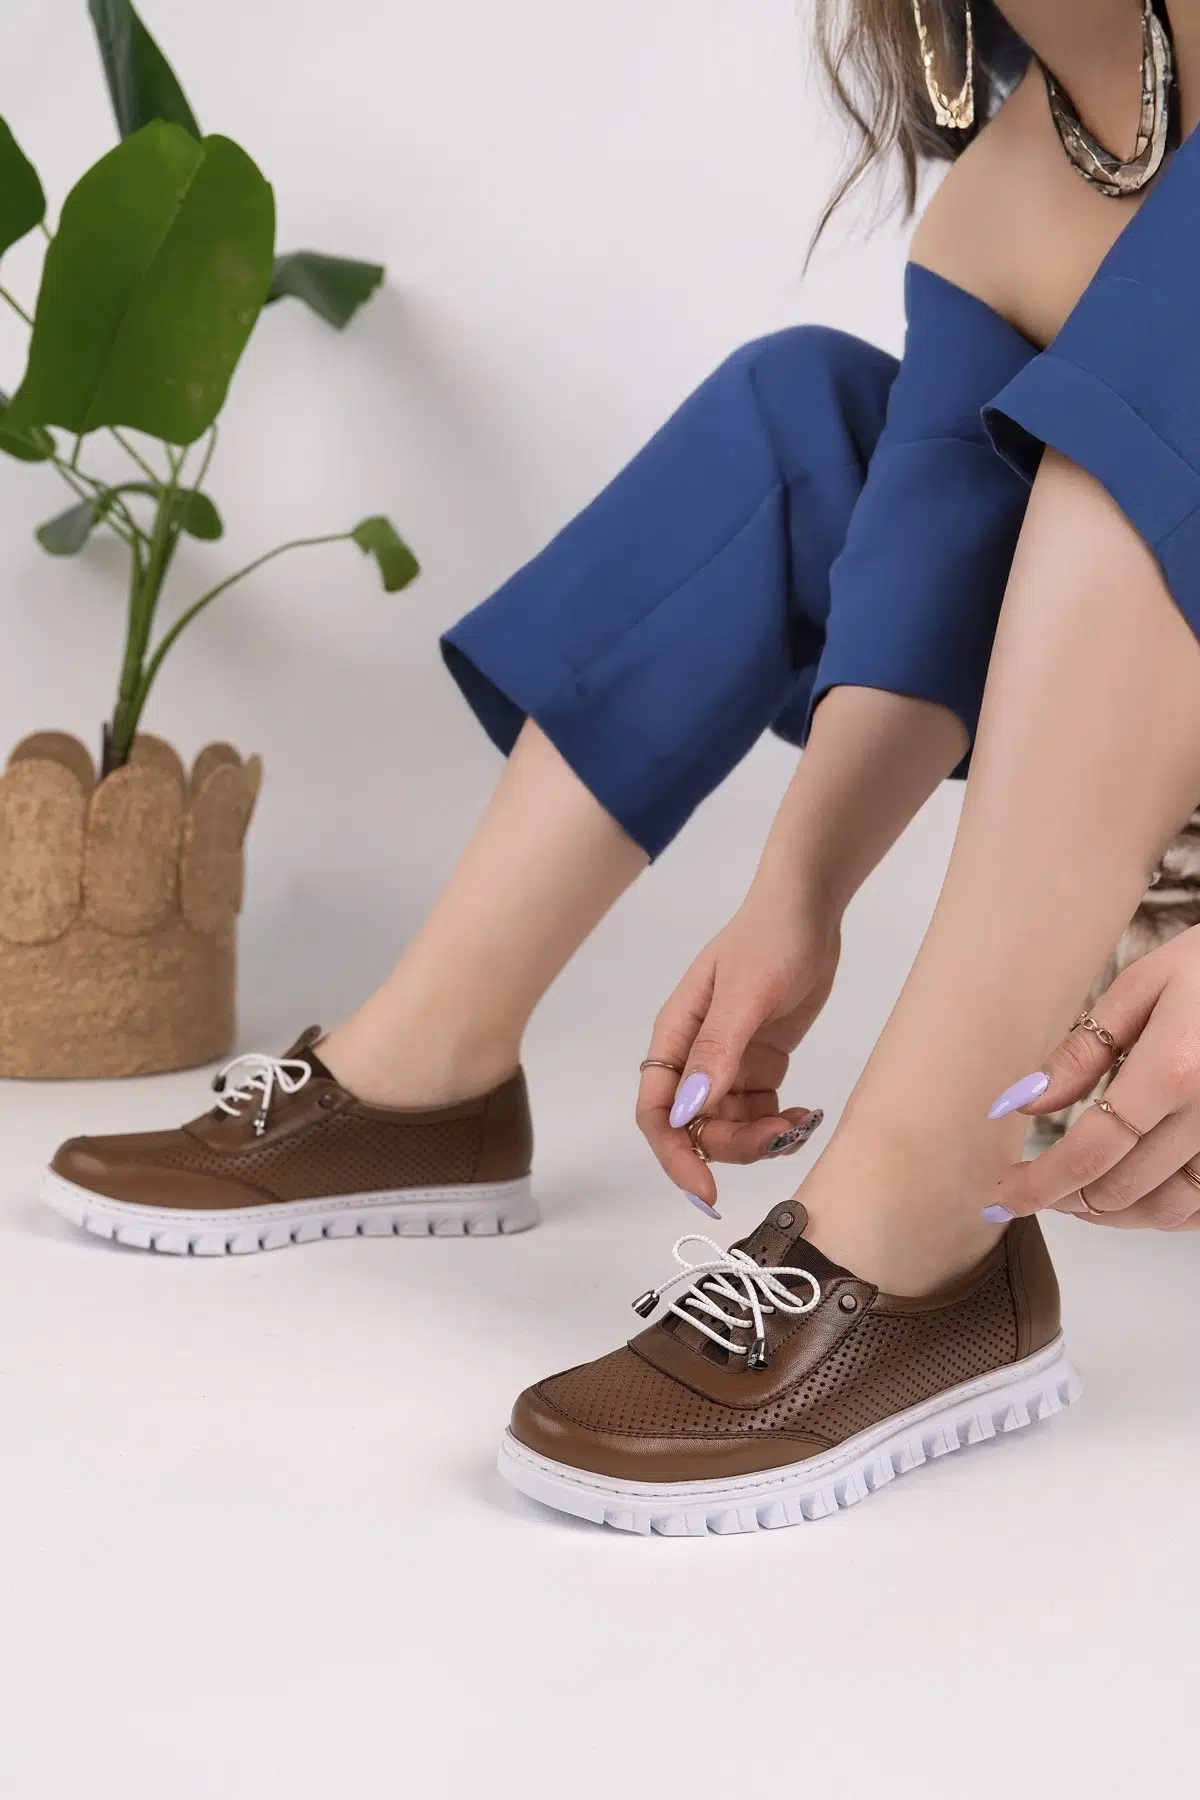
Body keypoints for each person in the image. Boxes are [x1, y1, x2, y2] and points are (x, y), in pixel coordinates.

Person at [40, 2, 1200, 1532]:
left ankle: (926, 1223)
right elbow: (924, 582)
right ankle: (422, 1075)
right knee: (804, 412)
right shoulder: (1005, 190)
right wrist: (796, 892)